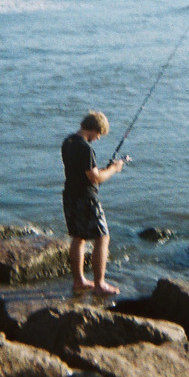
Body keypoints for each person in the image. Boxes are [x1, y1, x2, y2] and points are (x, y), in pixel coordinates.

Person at [61, 111, 126, 296]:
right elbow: (95, 178)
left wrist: (105, 168)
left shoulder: (68, 142)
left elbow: (83, 172)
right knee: (102, 237)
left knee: (78, 237)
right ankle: (100, 284)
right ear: (95, 129)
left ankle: (79, 281)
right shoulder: (85, 148)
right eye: (99, 134)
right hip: (86, 198)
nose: (97, 139)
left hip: (70, 195)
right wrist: (113, 169)